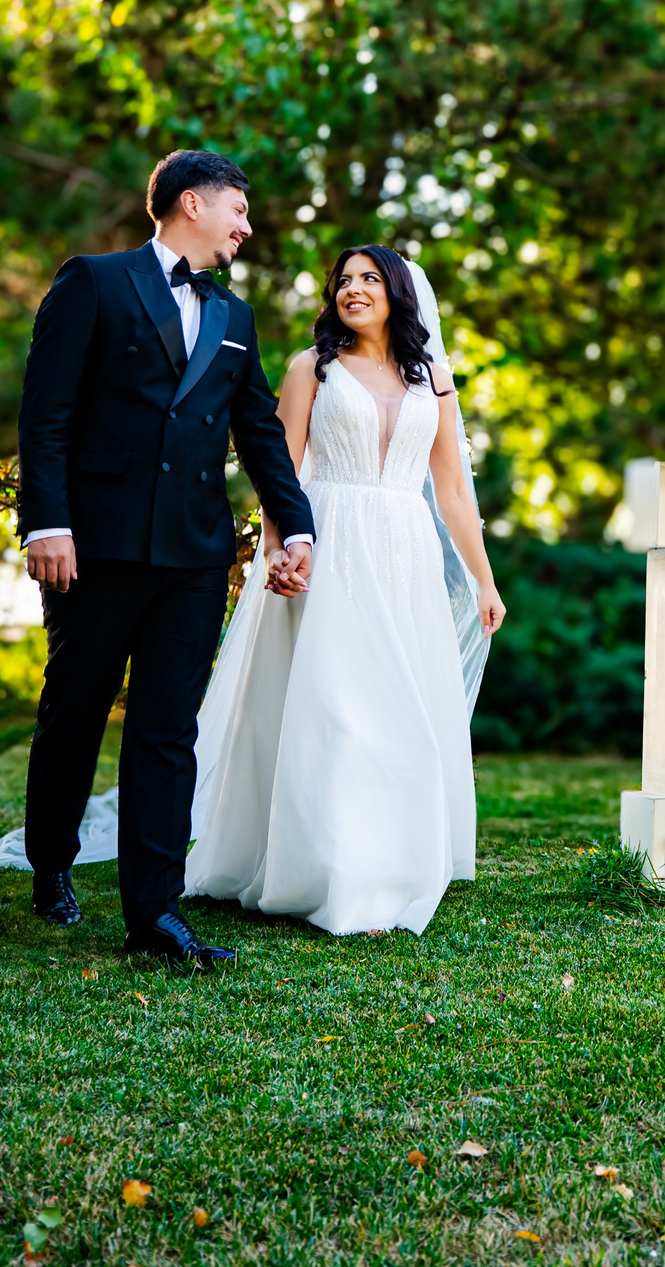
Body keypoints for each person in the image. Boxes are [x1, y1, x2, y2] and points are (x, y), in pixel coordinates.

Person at [4, 151, 316, 970]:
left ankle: (155, 911)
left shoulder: (236, 318)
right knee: (75, 710)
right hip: (94, 547)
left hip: (193, 554)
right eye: (238, 211)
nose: (247, 228)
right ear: (190, 203)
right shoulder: (94, 283)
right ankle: (52, 864)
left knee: (168, 731)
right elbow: (46, 418)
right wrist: (48, 525)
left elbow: (259, 436)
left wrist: (299, 526)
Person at [184, 243, 505, 935]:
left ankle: (394, 857)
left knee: (401, 705)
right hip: (327, 541)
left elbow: (450, 490)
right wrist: (279, 549)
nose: (352, 289)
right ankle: (328, 870)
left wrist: (483, 577)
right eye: (343, 281)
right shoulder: (312, 369)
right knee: (333, 705)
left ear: (398, 292)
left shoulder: (435, 378)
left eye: (368, 278)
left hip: (405, 552)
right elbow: (281, 469)